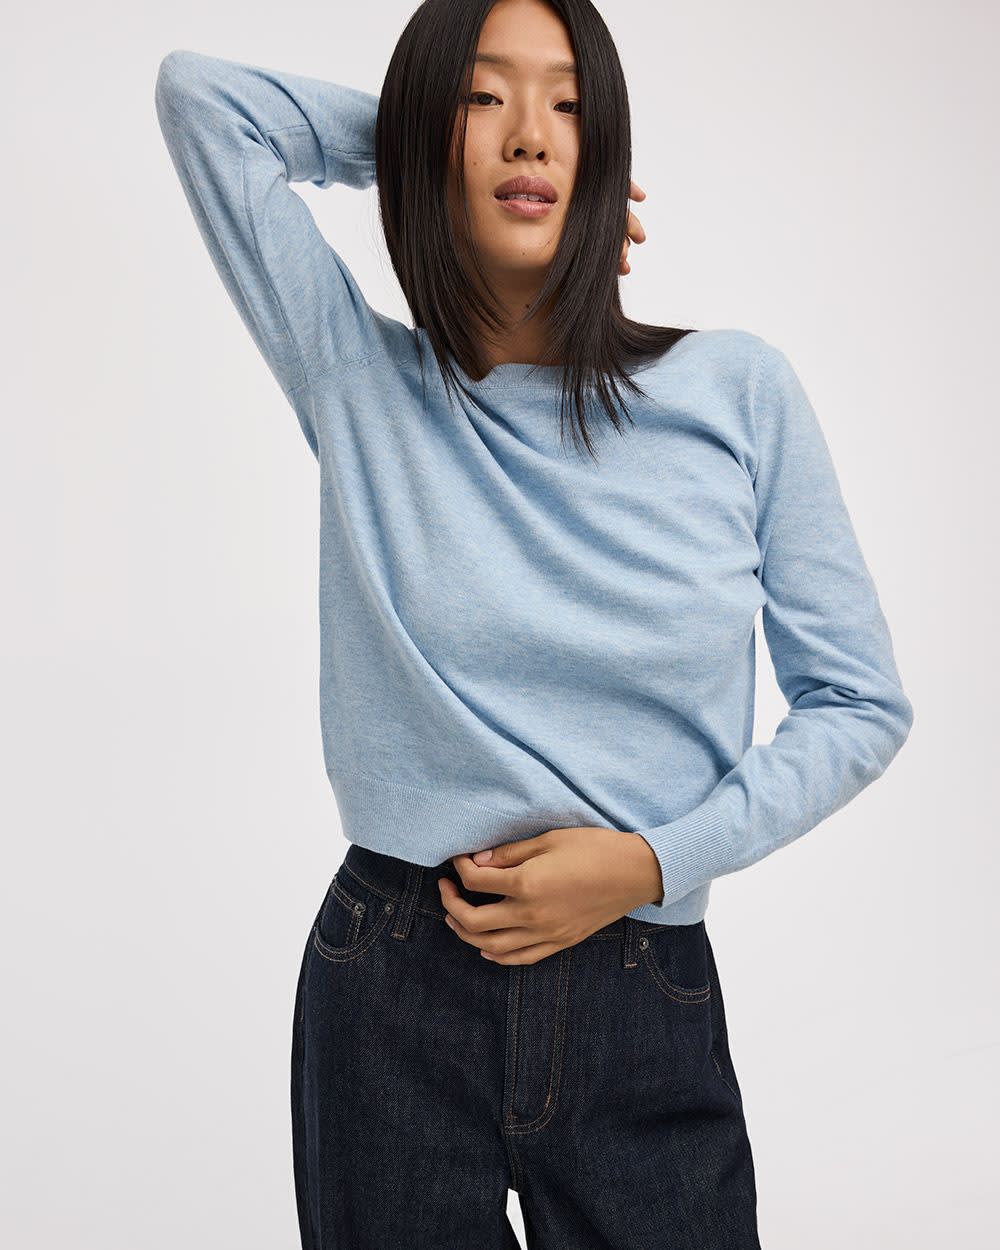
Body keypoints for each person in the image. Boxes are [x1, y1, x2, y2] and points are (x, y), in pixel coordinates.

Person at [153, 1, 913, 1246]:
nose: (530, 136)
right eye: (483, 97)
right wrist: (419, 150)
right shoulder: (361, 381)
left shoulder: (736, 391)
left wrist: (649, 862)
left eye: (568, 106)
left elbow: (859, 703)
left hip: (641, 979)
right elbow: (203, 101)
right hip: (392, 980)